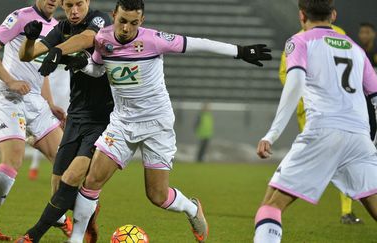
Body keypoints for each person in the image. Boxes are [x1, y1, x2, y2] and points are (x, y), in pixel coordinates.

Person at [59, 0, 271, 242]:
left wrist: (240, 51)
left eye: (134, 23)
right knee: (92, 180)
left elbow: (199, 43)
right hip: (122, 122)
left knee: (157, 196)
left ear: (142, 21)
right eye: (122, 21)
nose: (127, 28)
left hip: (156, 124)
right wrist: (82, 64)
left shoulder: (154, 40)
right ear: (113, 15)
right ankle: (75, 238)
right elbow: (98, 68)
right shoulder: (103, 39)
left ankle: (191, 208)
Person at [254, 0, 377, 242]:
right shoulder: (355, 48)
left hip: (323, 132)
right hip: (359, 138)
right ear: (333, 14)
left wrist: (273, 133)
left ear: (301, 16)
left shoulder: (298, 41)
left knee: (270, 206)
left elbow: (295, 85)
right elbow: (375, 96)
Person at [14, 0, 114, 242]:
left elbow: (89, 39)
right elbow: (27, 56)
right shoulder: (62, 28)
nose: (74, 11)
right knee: (59, 186)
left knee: (73, 176)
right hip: (76, 115)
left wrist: (58, 50)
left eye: (79, 4)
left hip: (103, 118)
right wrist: (29, 40)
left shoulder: (100, 20)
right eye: (68, 5)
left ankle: (31, 236)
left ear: (87, 2)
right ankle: (88, 213)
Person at [0, 0, 73, 241]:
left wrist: (50, 104)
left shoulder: (58, 27)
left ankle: (57, 215)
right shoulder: (20, 17)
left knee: (66, 161)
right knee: (12, 161)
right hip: (9, 97)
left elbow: (42, 71)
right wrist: (10, 81)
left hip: (36, 102)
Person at [279, 22, 363, 225]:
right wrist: (303, 99)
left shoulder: (300, 39)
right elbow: (285, 74)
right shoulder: (302, 39)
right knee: (318, 160)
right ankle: (274, 203)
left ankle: (346, 211)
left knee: (341, 159)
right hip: (313, 112)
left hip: (338, 109)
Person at [28, 58, 71, 181]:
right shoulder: (51, 41)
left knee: (63, 128)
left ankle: (59, 169)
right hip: (50, 85)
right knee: (44, 128)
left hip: (65, 88)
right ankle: (35, 165)